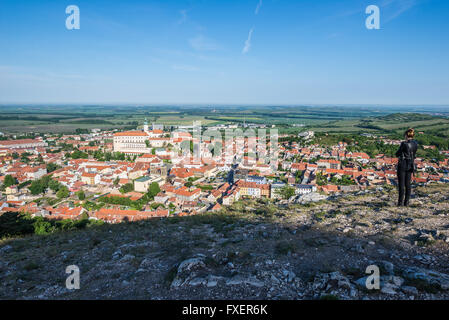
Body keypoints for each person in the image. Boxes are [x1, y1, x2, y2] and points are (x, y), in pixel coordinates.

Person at [395, 128, 418, 206]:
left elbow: (397, 154)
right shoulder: (416, 143)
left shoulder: (404, 144)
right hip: (411, 164)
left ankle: (400, 202)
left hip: (403, 164)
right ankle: (406, 202)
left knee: (401, 184)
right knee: (408, 184)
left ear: (406, 135)